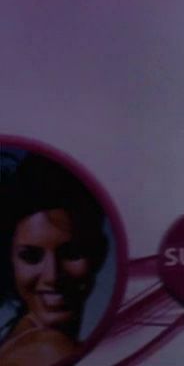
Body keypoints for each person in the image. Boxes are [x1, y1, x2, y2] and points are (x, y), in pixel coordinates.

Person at [0, 154, 109, 366]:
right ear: (9, 262)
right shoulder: (50, 350)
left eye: (72, 252)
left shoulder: (22, 338)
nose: (52, 276)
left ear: (100, 253)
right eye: (31, 256)